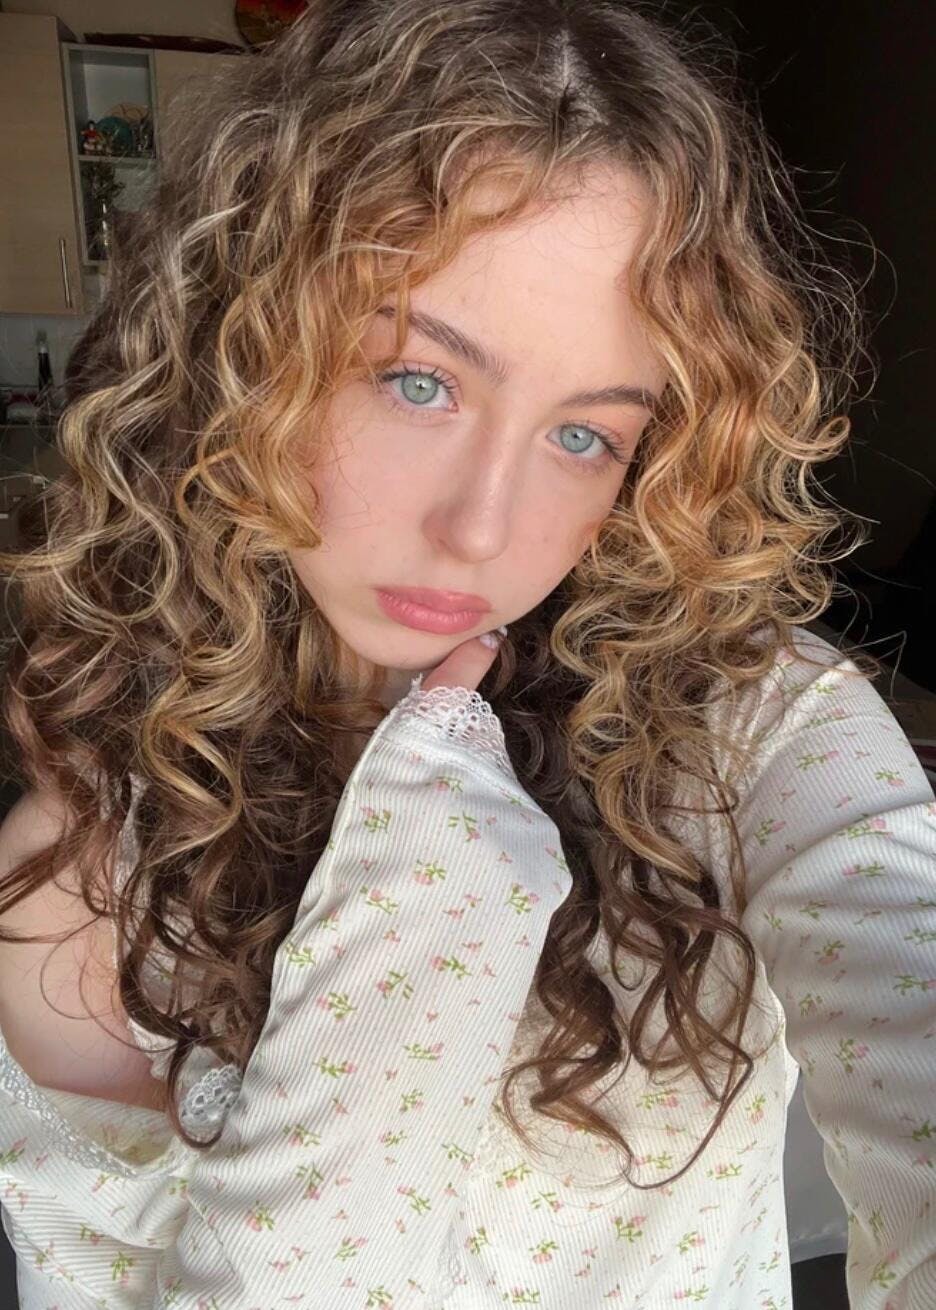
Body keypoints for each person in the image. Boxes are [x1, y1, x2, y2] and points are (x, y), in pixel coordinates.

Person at [0, 2, 933, 1307]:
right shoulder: (84, 867)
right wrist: (409, 954)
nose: (482, 529)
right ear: (241, 352)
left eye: (583, 436)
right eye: (418, 381)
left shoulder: (754, 730)